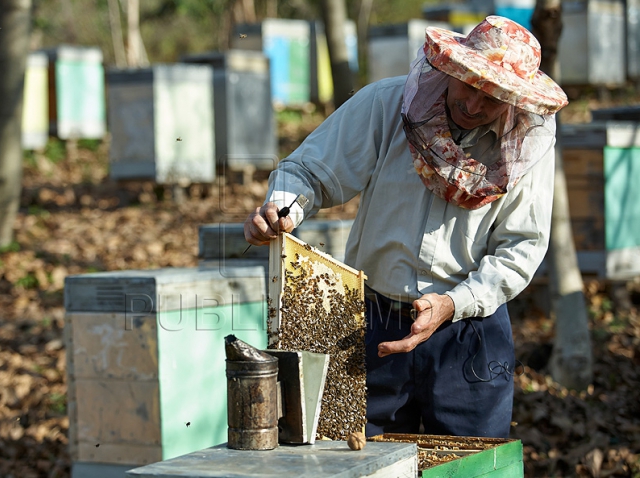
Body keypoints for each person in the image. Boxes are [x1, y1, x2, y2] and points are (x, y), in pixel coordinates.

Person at [243, 16, 568, 438]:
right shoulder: (387, 103)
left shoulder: (528, 144)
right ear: (453, 67)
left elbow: (521, 246)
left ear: (516, 99)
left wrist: (454, 303)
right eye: (470, 85)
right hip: (370, 323)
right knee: (358, 459)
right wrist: (281, 209)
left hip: (468, 331)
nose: (474, 106)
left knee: (465, 466)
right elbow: (310, 171)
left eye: (493, 97)